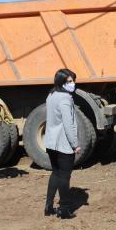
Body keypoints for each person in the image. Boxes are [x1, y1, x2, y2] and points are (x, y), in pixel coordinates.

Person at [44, 69, 81, 219]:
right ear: (61, 82)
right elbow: (68, 124)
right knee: (65, 176)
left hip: (51, 142)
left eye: (73, 80)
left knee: (56, 173)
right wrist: (75, 144)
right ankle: (64, 209)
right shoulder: (66, 98)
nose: (73, 84)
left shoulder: (51, 95)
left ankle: (48, 206)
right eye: (69, 81)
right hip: (64, 144)